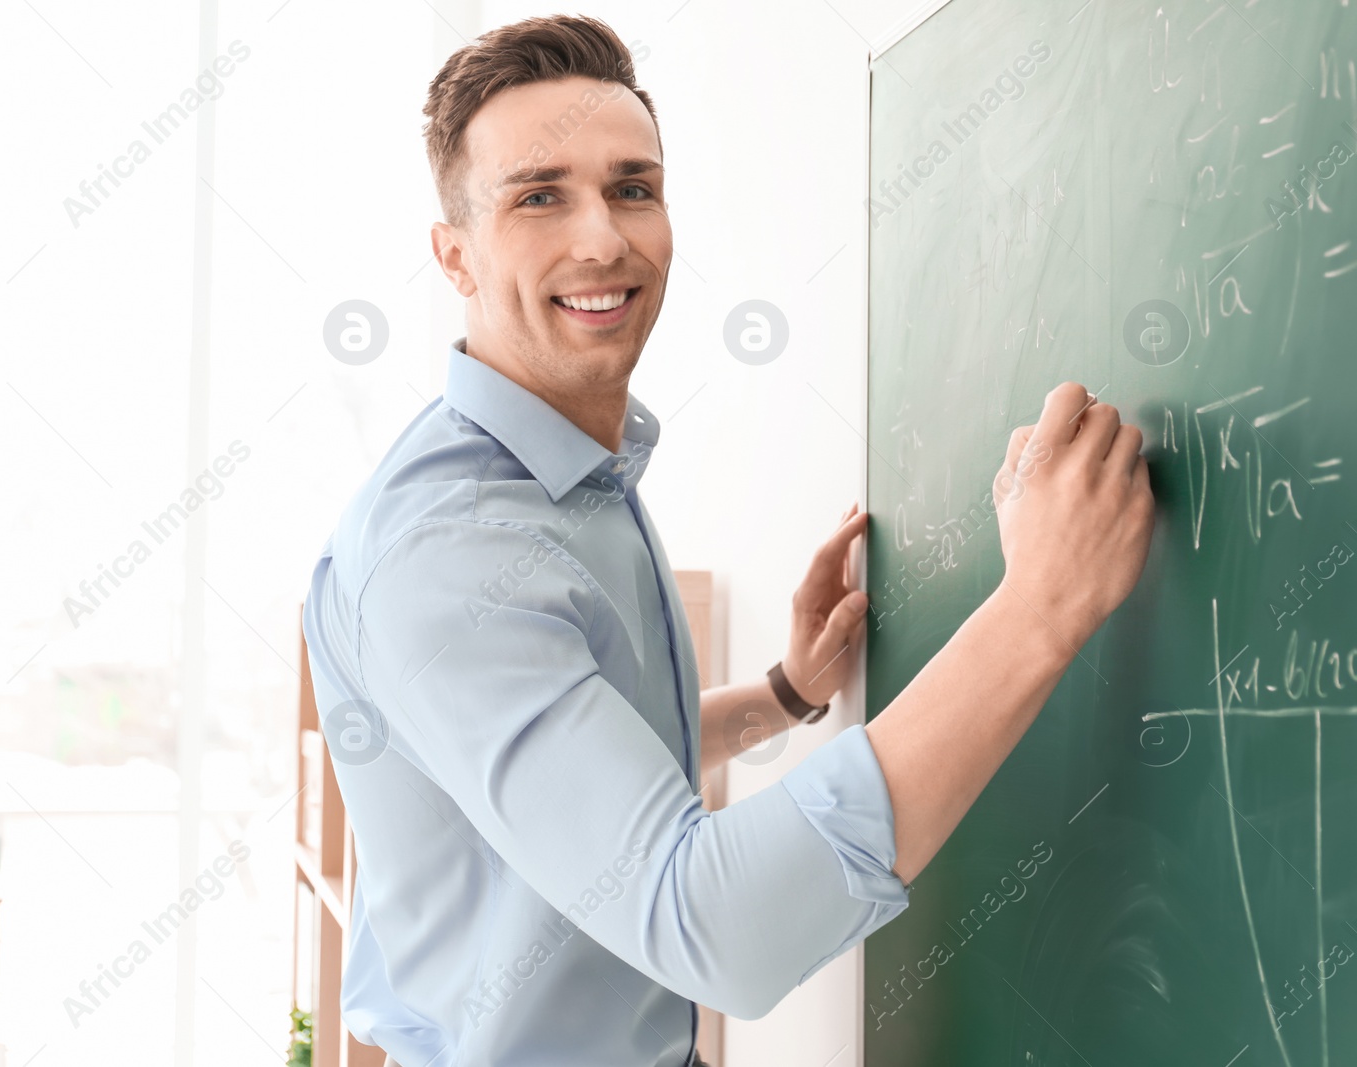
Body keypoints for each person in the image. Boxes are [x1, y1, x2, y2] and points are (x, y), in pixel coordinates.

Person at [300, 14, 1154, 1067]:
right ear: (454, 255)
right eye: (537, 196)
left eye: (632, 187)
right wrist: (1039, 610)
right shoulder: (453, 553)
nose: (603, 238)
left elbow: (579, 760)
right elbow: (710, 922)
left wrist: (782, 695)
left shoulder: (561, 475)